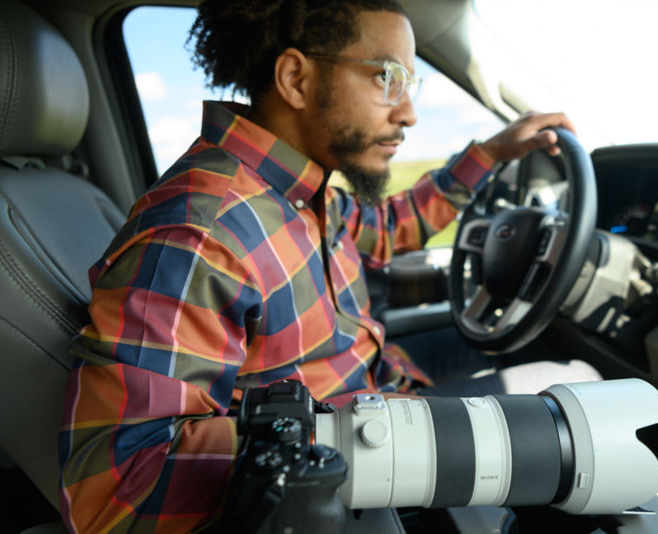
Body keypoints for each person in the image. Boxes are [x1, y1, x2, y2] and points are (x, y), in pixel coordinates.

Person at [58, 0, 599, 531]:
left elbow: (389, 229)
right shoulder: (202, 234)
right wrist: (367, 442)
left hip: (384, 396)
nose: (409, 112)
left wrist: (493, 153)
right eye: (388, 77)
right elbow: (120, 492)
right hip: (354, 468)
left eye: (411, 83)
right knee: (585, 400)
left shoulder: (303, 192)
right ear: (295, 78)